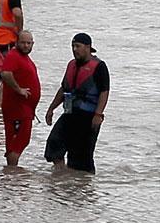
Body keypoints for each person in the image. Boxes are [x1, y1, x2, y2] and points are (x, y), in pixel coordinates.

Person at [43, 32, 110, 173]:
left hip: (88, 117)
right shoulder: (71, 65)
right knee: (54, 144)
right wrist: (51, 109)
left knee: (81, 158)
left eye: (78, 46)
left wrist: (98, 114)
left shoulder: (99, 67)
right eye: (72, 46)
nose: (74, 49)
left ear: (88, 47)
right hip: (69, 113)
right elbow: (64, 88)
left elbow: (104, 92)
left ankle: (82, 187)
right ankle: (62, 177)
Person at [0, 29, 41, 168]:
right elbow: (5, 74)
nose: (26, 45)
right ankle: (11, 172)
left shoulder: (25, 58)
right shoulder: (13, 56)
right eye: (23, 42)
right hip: (17, 108)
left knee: (19, 141)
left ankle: (11, 175)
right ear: (17, 42)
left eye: (29, 43)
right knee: (18, 141)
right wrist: (18, 89)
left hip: (25, 109)